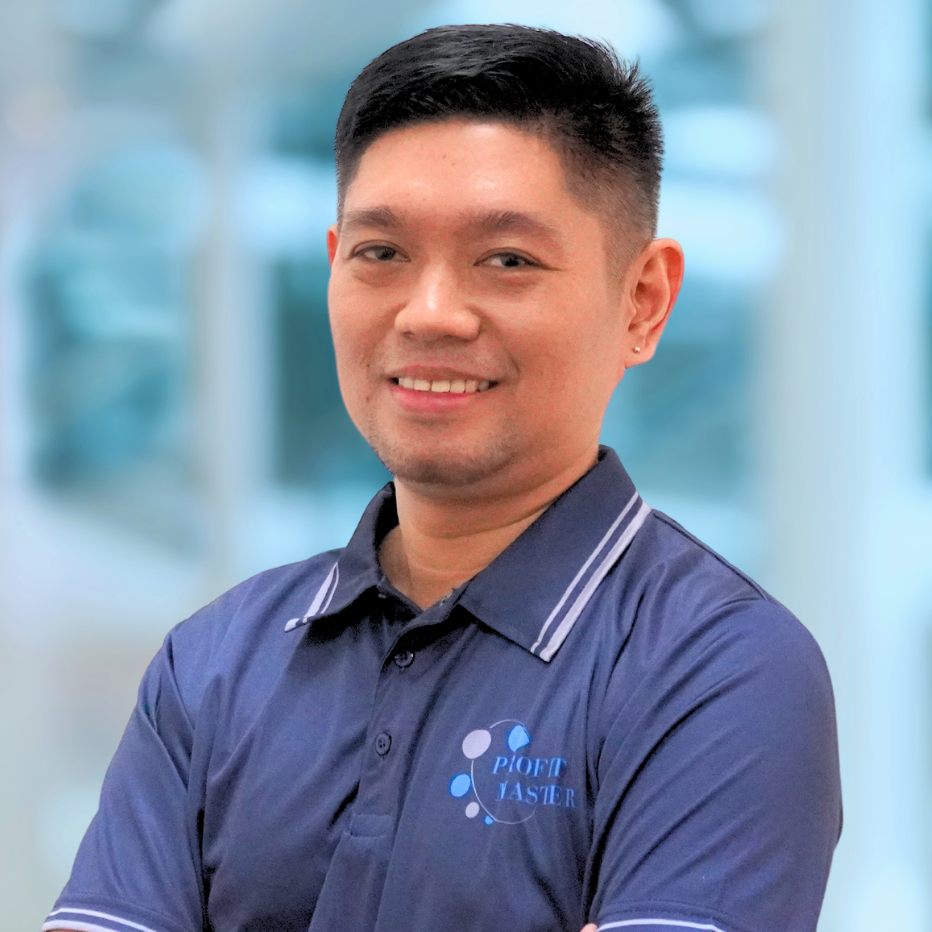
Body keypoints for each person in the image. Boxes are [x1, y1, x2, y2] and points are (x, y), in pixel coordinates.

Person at [44, 24, 841, 932]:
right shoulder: (214, 665)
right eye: (381, 253)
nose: (429, 314)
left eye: (507, 261)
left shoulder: (718, 673)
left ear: (643, 301)